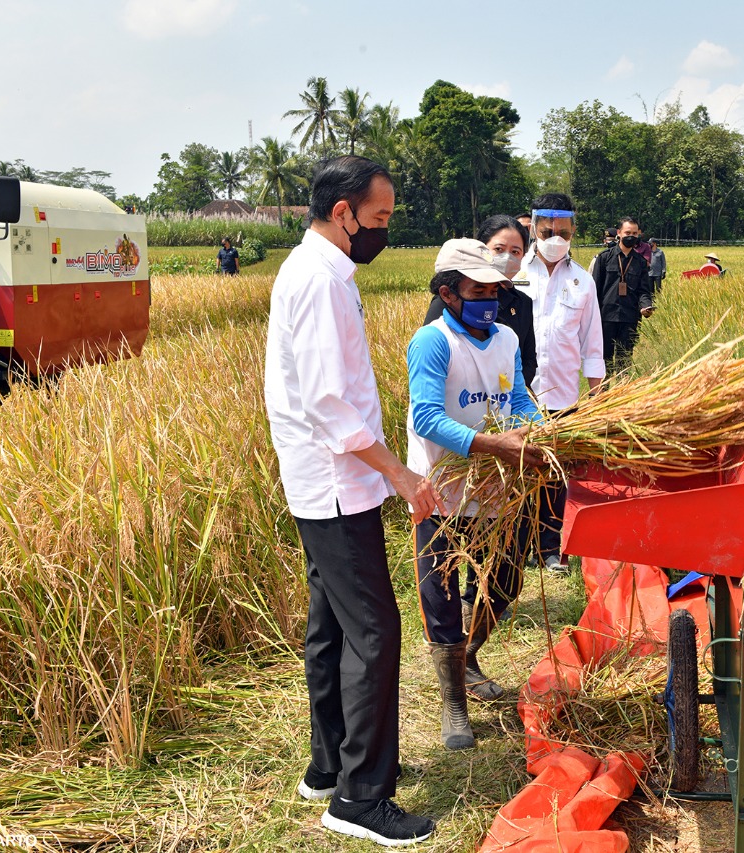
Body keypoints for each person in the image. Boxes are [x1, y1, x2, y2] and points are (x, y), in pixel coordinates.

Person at [264, 155, 442, 847]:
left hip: (323, 481)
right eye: (379, 217)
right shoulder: (320, 280)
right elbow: (330, 402)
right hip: (336, 484)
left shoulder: (320, 269)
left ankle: (330, 764)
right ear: (343, 213)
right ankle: (361, 796)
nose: (383, 231)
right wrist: (401, 474)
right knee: (374, 630)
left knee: (334, 626)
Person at [407, 238, 545, 749]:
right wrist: (493, 445)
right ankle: (454, 705)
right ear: (447, 294)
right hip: (441, 488)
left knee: (504, 580)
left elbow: (517, 397)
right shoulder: (433, 341)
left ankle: (466, 658)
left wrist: (534, 429)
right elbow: (426, 417)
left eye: (494, 291)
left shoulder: (505, 337)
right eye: (477, 291)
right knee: (440, 594)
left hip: (496, 485)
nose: (489, 300)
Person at [513, 193, 605, 573]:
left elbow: (592, 345)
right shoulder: (515, 273)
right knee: (518, 473)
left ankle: (550, 548)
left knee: (555, 475)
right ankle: (516, 545)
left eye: (563, 232)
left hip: (563, 396)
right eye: (548, 230)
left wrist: (598, 396)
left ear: (573, 231)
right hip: (517, 395)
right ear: (534, 227)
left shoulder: (583, 281)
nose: (556, 238)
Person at [424, 215, 536, 390]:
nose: (507, 257)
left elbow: (528, 360)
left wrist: (509, 390)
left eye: (515, 252)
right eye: (499, 249)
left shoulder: (523, 303)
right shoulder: (449, 303)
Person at [592, 216, 655, 372]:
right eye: (627, 233)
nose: (631, 236)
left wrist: (645, 306)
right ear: (619, 233)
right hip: (606, 317)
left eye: (634, 233)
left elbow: (644, 291)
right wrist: (592, 317)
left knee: (624, 359)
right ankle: (604, 387)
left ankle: (623, 386)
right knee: (604, 358)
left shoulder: (640, 262)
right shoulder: (604, 258)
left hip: (630, 317)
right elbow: (594, 290)